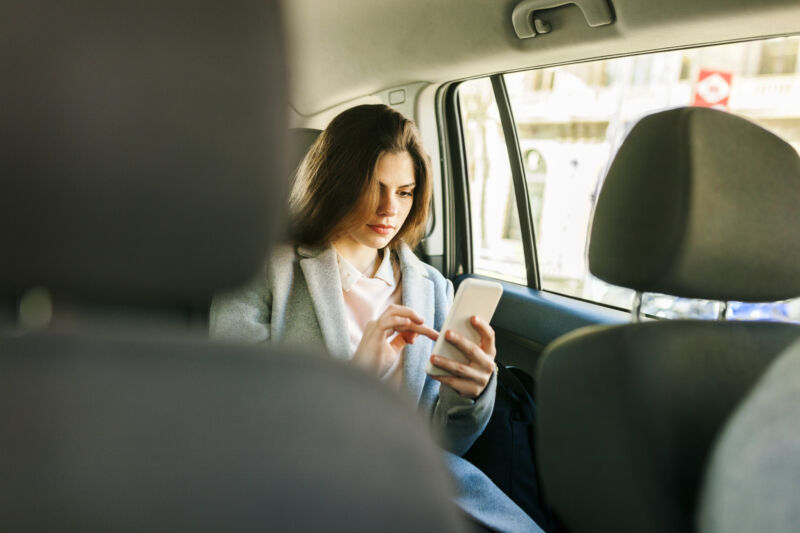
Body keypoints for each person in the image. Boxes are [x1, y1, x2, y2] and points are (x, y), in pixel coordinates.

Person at [210, 104, 543, 532]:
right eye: (374, 187)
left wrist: (470, 398)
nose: (389, 209)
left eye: (404, 192)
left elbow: (444, 447)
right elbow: (229, 413)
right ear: (335, 183)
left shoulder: (434, 288)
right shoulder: (263, 272)